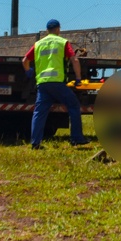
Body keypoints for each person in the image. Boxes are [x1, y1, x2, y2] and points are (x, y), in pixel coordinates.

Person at [22, 18, 88, 149]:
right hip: (58, 83)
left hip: (42, 84)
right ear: (58, 29)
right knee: (74, 106)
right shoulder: (62, 42)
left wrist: (29, 71)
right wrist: (79, 78)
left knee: (39, 113)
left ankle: (35, 143)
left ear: (47, 30)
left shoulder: (38, 44)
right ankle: (76, 138)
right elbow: (74, 60)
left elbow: (25, 60)